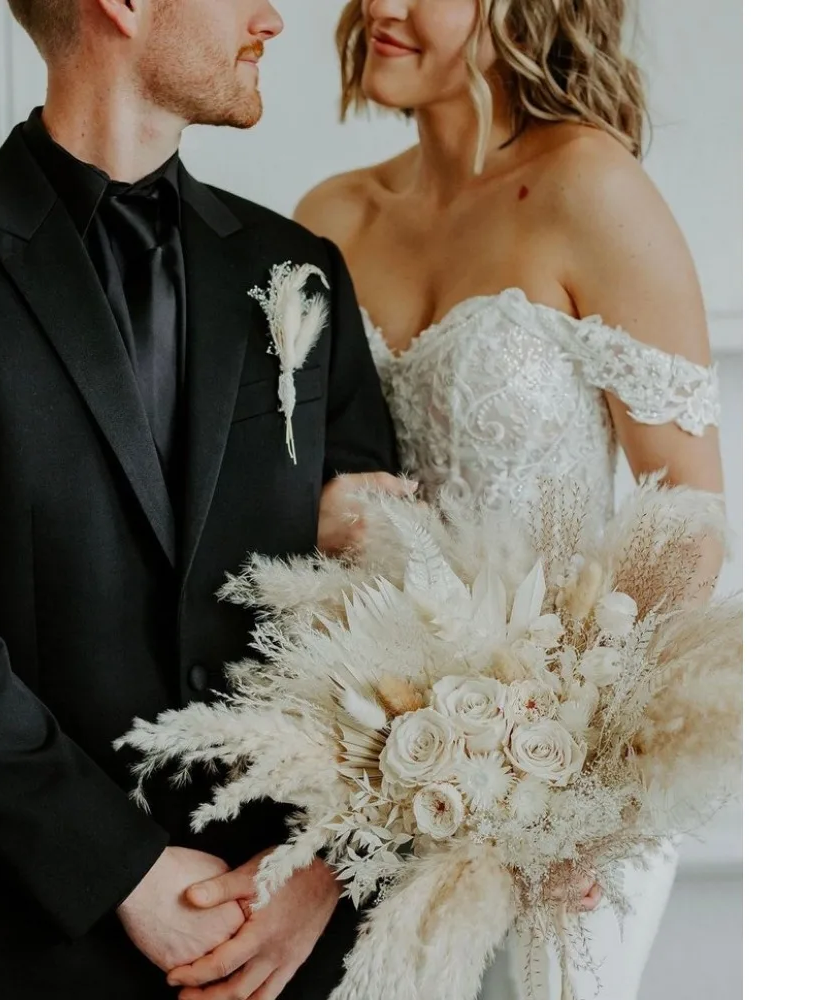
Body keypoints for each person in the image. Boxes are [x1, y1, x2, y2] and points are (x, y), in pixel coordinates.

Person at [0, 2, 400, 998]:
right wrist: (120, 870)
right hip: (26, 937)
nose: (272, 18)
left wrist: (317, 868)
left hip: (285, 942)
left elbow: (386, 613)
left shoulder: (298, 269)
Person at [294, 1, 725, 996]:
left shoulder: (592, 191)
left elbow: (688, 522)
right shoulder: (328, 218)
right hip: (379, 759)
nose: (376, 10)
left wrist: (582, 787)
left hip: (566, 774)